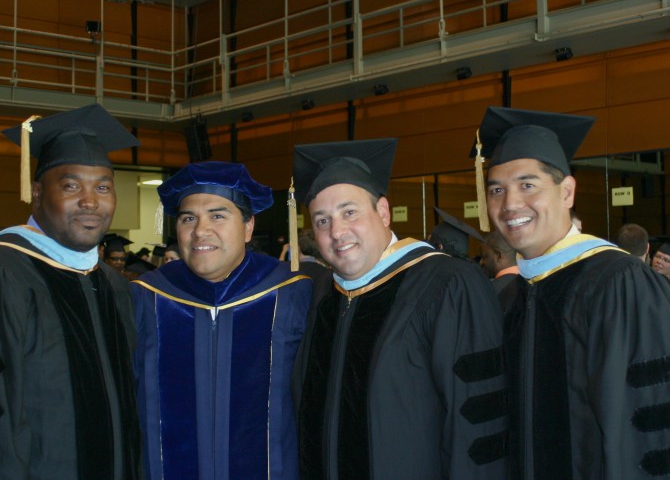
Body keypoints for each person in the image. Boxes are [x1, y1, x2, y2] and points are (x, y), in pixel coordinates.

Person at [0, 104, 142, 479]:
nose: (91, 201)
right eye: (71, 185)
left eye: (103, 186)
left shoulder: (113, 286)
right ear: (37, 193)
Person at [292, 139, 507, 479]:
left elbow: (477, 421)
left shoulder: (447, 284)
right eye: (322, 221)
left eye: (350, 212)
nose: (337, 232)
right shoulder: (320, 296)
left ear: (383, 212)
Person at [476, 106, 670, 479]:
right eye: (497, 190)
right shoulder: (509, 296)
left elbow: (651, 417)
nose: (510, 204)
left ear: (566, 192)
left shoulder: (620, 283)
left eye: (528, 185)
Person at [131, 161, 312, 480]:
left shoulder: (292, 294)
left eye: (217, 215)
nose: (201, 230)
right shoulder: (146, 297)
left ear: (248, 226)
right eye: (189, 218)